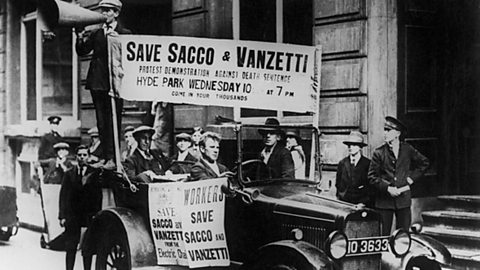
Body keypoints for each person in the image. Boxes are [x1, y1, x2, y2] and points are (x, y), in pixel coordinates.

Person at [75, 0, 131, 168]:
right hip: (97, 83)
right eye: (103, 11)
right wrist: (79, 36)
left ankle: (114, 158)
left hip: (115, 84)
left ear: (116, 13)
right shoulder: (96, 33)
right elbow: (82, 50)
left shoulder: (125, 33)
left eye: (108, 11)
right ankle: (107, 157)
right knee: (101, 122)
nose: (104, 14)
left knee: (114, 121)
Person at [368, 116, 430, 235]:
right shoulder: (379, 153)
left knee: (403, 235)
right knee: (383, 235)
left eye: (388, 130)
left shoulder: (407, 149)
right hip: (384, 202)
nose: (385, 133)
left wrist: (411, 178)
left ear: (397, 133)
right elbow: (372, 177)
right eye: (385, 130)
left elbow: (424, 163)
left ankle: (401, 254)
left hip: (403, 201)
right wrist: (387, 188)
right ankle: (383, 254)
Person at [59, 145, 101, 270]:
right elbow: (63, 196)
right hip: (72, 217)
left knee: (87, 249)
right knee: (70, 247)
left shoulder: (93, 175)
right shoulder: (69, 174)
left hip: (88, 217)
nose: (82, 157)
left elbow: (98, 196)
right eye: (80, 155)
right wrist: (62, 216)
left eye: (84, 155)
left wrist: (96, 215)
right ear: (76, 157)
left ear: (88, 157)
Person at [335, 131, 372, 206]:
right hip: (344, 204)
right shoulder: (342, 163)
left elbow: (371, 187)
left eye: (354, 145)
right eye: (349, 145)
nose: (350, 147)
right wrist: (340, 198)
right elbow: (338, 184)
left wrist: (364, 203)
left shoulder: (368, 164)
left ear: (360, 147)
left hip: (362, 205)